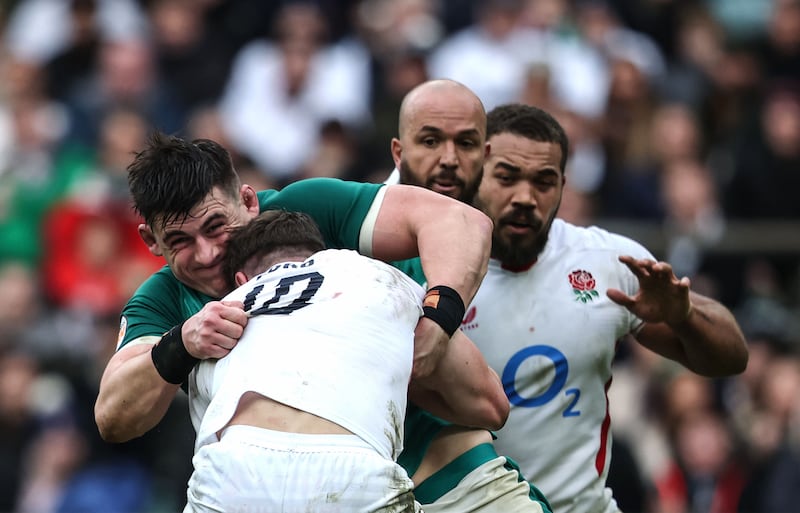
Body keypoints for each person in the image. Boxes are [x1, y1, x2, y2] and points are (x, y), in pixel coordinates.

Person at [94, 131, 497, 445]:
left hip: (435, 455)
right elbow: (112, 416)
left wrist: (436, 324)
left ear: (248, 201)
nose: (206, 254)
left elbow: (459, 223)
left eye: (216, 226)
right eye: (179, 241)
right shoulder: (161, 301)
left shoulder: (305, 208)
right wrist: (181, 344)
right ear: (151, 242)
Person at [463, 102, 749, 513]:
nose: (524, 197)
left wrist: (682, 316)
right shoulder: (434, 268)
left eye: (543, 182)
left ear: (563, 186)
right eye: (507, 178)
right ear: (477, 173)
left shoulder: (606, 261)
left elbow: (732, 357)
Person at [184, 210, 506, 513]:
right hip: (352, 474)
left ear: (241, 279)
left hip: (230, 477)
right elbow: (492, 405)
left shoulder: (213, 322)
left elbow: (211, 431)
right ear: (323, 252)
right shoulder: (376, 277)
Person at [388, 79, 552, 512]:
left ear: (485, 154)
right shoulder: (349, 237)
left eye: (465, 143)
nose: (448, 159)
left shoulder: (502, 232)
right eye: (430, 141)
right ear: (398, 153)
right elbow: (490, 407)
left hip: (476, 469)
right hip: (390, 478)